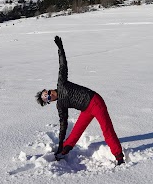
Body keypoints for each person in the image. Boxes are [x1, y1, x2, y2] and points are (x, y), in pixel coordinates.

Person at [35, 36, 125, 165]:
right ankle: (63, 152)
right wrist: (60, 143)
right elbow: (63, 124)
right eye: (47, 98)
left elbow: (62, 65)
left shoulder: (61, 83)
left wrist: (60, 48)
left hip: (95, 101)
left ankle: (119, 156)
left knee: (106, 129)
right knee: (75, 132)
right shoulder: (60, 105)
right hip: (86, 109)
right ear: (50, 101)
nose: (50, 95)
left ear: (48, 89)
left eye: (47, 93)